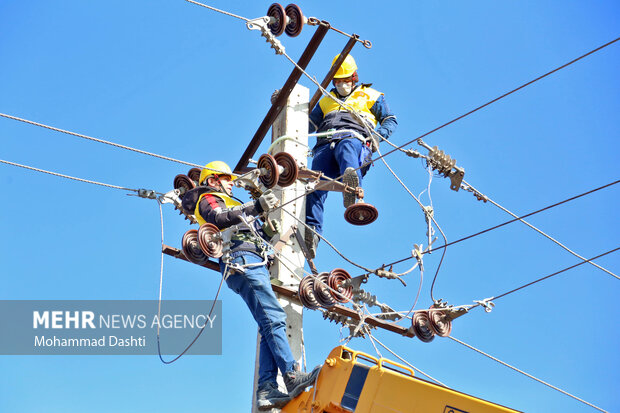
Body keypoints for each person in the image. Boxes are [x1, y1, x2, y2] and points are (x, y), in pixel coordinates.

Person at [182, 161, 320, 411]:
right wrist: (256, 206)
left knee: (268, 322)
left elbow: (245, 232)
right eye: (227, 178)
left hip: (249, 259)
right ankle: (290, 375)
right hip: (241, 261)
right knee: (274, 317)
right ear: (213, 180)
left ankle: (267, 388)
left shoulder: (231, 203)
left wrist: (265, 231)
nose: (232, 183)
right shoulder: (210, 198)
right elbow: (218, 219)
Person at [305, 54, 398, 258]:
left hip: (354, 141)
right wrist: (285, 108)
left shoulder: (371, 96)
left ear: (354, 77)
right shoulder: (325, 101)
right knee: (314, 184)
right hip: (324, 145)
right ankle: (312, 234)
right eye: (337, 81)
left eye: (345, 80)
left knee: (346, 146)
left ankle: (353, 185)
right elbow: (306, 124)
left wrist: (377, 137)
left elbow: (390, 120)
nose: (341, 84)